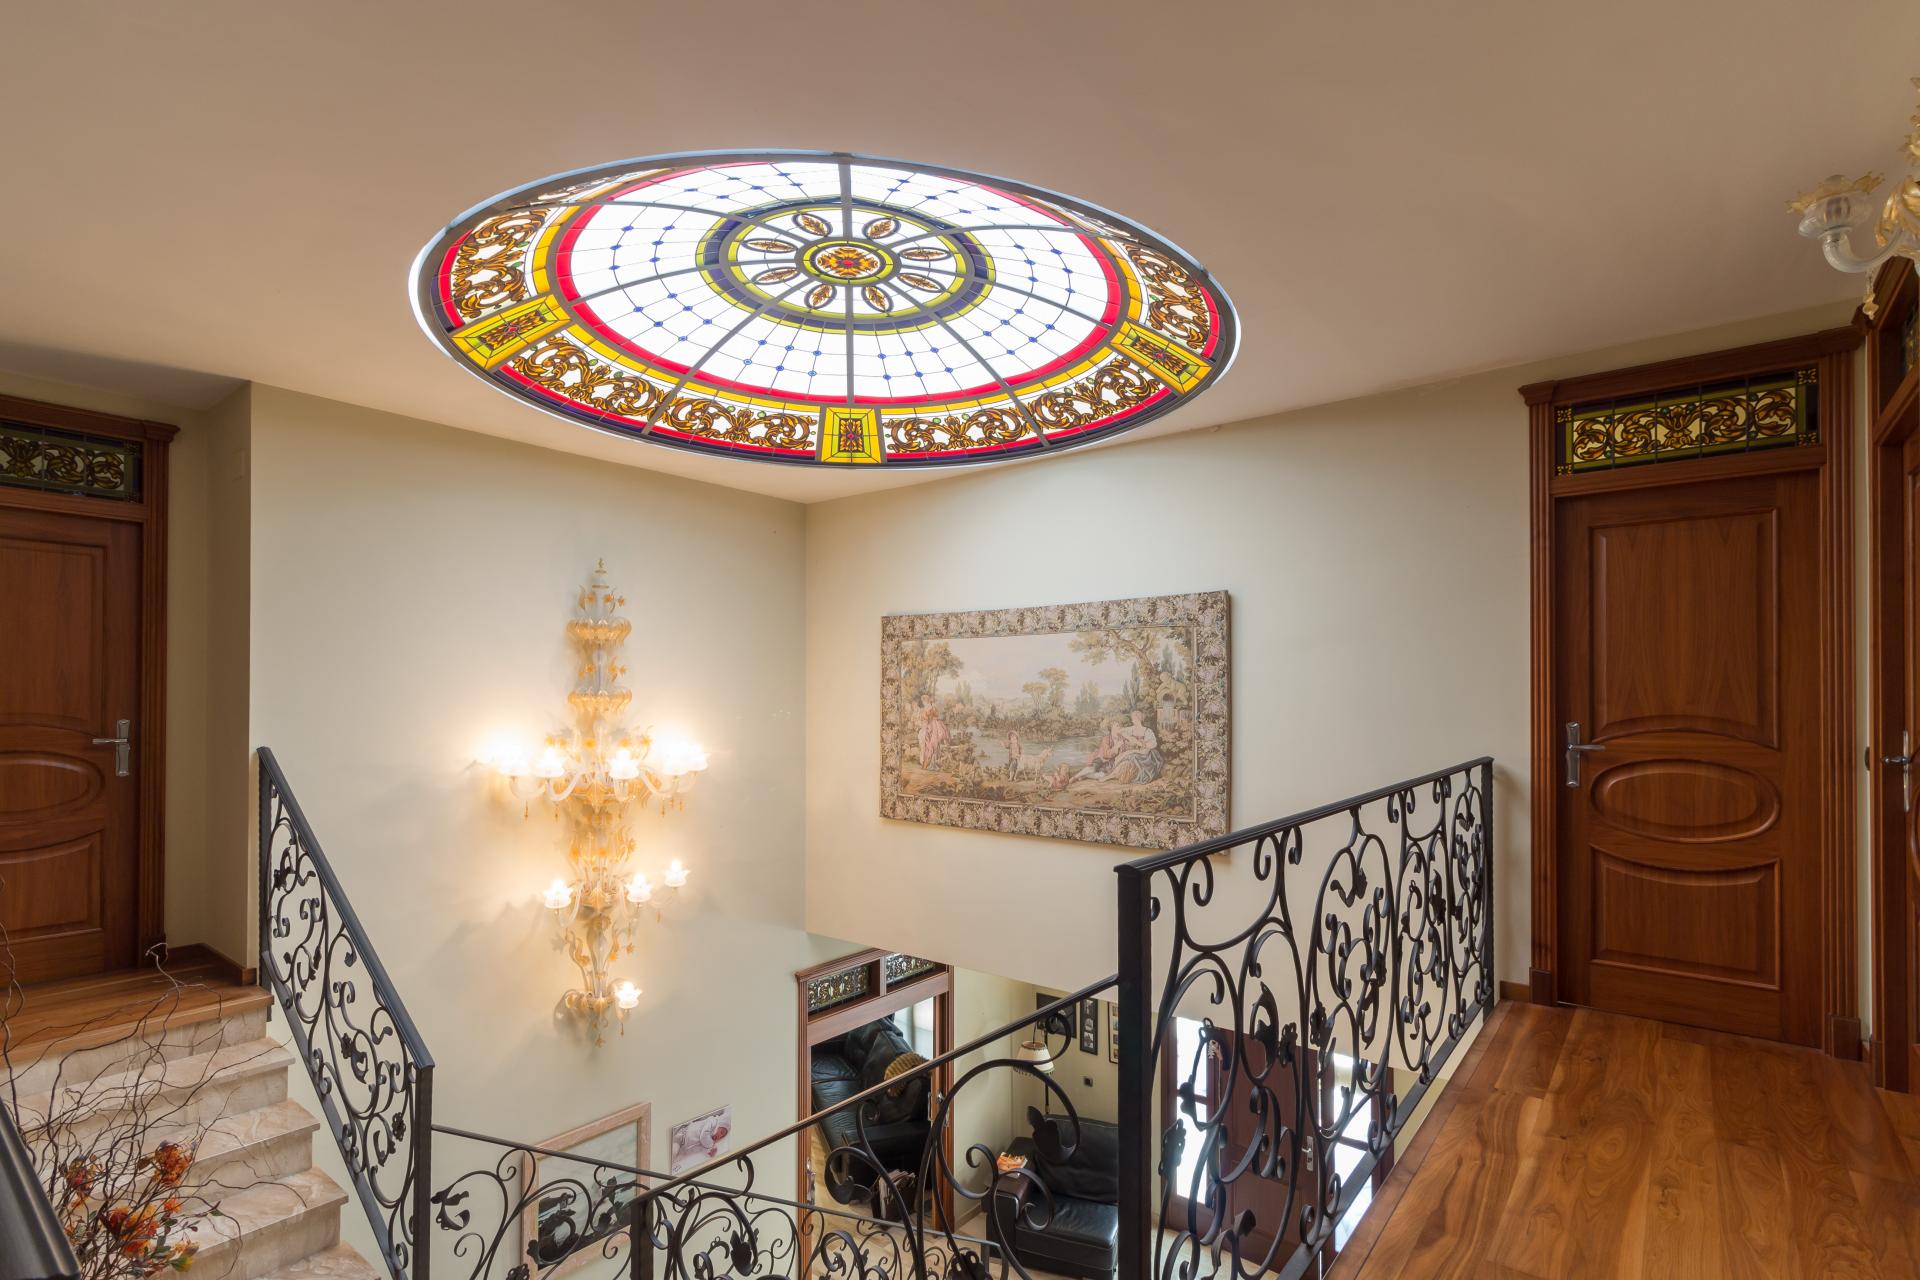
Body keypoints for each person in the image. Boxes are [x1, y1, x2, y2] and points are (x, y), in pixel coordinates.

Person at [1105, 710, 1164, 784]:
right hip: (1135, 752)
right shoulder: (1131, 729)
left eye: (1133, 718)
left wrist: (1142, 744)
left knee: (1131, 756)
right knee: (1126, 757)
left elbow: (1153, 744)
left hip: (1146, 756)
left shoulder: (1147, 731)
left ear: (1137, 719)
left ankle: (1113, 776)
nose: (1132, 720)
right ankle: (1113, 775)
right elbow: (1120, 731)